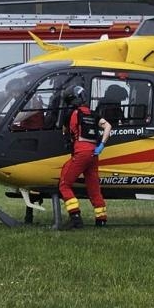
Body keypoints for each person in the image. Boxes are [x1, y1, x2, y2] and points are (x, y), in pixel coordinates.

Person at [58, 84, 112, 227]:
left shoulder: (70, 114)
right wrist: (101, 145)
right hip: (94, 154)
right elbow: (108, 126)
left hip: (81, 153)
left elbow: (65, 131)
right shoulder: (93, 114)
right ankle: (101, 219)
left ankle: (75, 217)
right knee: (94, 188)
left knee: (64, 184)